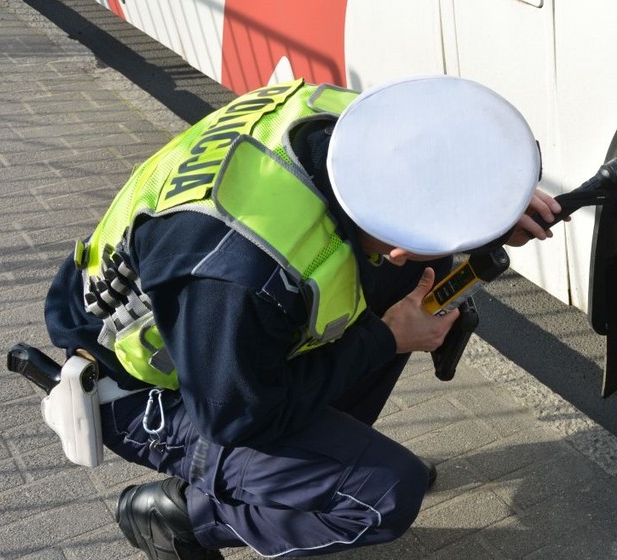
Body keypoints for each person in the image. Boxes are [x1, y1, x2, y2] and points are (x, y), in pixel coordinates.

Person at [43, 76, 561, 559]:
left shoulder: (352, 130)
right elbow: (235, 418)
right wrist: (386, 340)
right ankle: (182, 515)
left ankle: (317, 466)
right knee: (384, 494)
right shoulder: (242, 272)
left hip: (219, 341)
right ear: (401, 244)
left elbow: (432, 164)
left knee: (413, 289)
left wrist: (491, 203)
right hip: (145, 392)